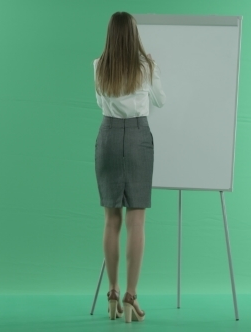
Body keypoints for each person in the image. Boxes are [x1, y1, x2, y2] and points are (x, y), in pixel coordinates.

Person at [93, 11, 166, 323]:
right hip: (138, 136)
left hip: (108, 135)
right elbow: (160, 101)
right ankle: (131, 296)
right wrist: (154, 68)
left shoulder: (99, 65)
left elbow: (100, 101)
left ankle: (111, 291)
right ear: (134, 35)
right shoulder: (144, 66)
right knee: (137, 220)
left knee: (111, 220)